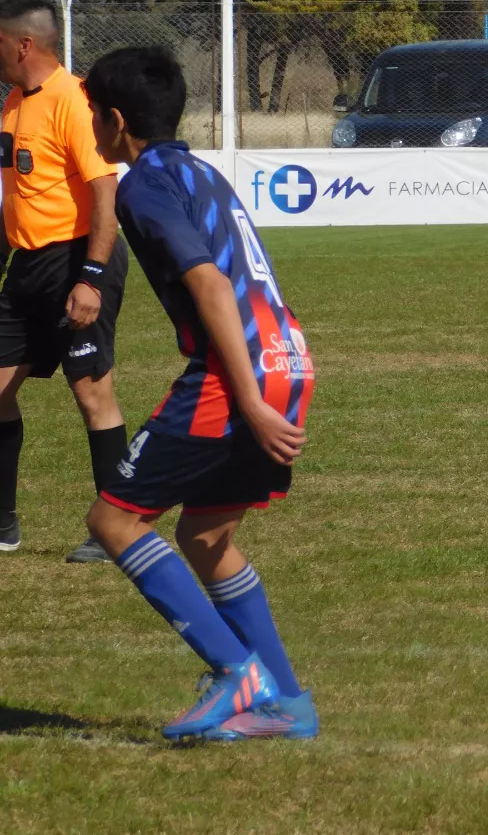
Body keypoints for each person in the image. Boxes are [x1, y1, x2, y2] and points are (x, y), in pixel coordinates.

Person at [80, 45, 318, 741]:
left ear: (116, 121)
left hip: (237, 371)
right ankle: (289, 706)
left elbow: (211, 284)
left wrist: (244, 397)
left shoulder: (143, 184)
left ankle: (235, 673)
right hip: (288, 356)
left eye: (94, 113)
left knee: (114, 522)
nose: (91, 124)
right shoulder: (199, 171)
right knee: (207, 536)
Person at [0, 0, 130, 563]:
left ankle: (115, 526)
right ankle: (3, 526)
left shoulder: (73, 101)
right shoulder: (10, 103)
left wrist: (92, 279)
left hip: (78, 260)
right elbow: (19, 197)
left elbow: (106, 191)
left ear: (23, 44)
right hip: (28, 264)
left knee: (92, 392)